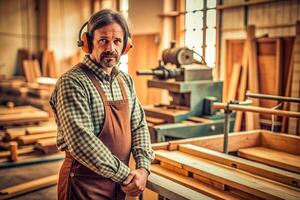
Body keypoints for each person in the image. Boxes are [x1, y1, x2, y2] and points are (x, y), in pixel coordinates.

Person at [50, 9, 154, 200]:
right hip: (83, 184)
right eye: (103, 40)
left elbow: (139, 125)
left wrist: (143, 168)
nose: (111, 48)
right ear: (88, 43)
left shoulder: (125, 80)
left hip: (117, 185)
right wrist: (127, 175)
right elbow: (81, 141)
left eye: (117, 41)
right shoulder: (73, 82)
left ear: (126, 46)